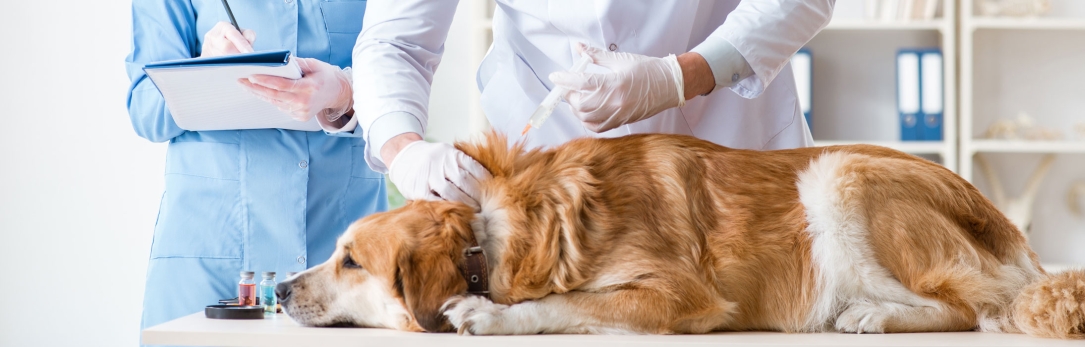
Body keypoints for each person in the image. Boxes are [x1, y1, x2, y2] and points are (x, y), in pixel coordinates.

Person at [343, 0, 835, 208]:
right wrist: (403, 149)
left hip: (729, 139)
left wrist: (679, 76)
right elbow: (395, 42)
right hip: (551, 158)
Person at [124, 0, 386, 338]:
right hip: (211, 250)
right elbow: (146, 110)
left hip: (342, 255)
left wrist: (345, 93)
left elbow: (407, 86)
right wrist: (203, 70)